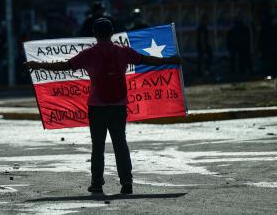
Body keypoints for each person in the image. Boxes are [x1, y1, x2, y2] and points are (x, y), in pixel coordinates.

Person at [25, 18, 182, 194]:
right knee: (120, 144)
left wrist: (37, 65)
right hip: (119, 106)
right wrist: (171, 59)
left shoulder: (89, 54)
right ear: (112, 32)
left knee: (97, 147)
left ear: (94, 33)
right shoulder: (123, 51)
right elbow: (148, 60)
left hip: (96, 107)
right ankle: (127, 182)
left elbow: (64, 66)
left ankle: (97, 183)